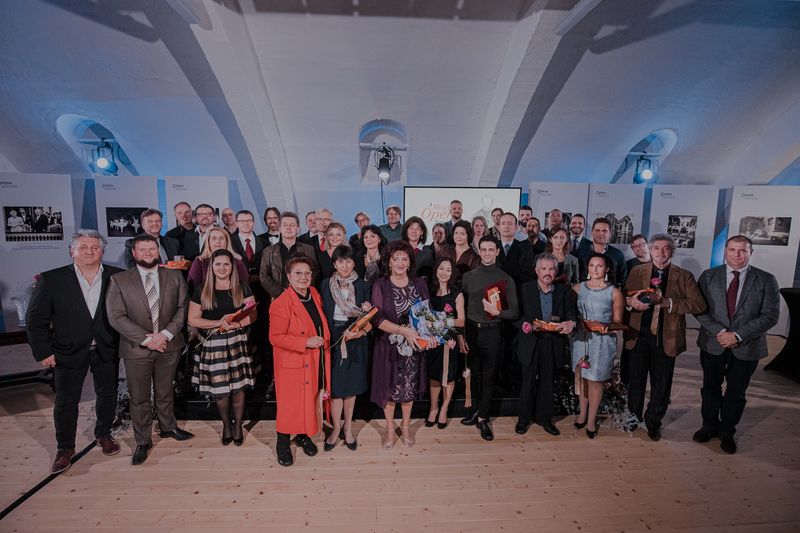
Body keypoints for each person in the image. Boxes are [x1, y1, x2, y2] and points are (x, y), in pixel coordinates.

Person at [26, 230, 122, 474]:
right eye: (83, 247)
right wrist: (43, 351)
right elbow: (36, 320)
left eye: (95, 247)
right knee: (66, 401)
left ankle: (103, 433)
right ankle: (65, 448)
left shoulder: (118, 276)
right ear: (72, 251)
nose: (89, 251)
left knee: (108, 394)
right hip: (66, 350)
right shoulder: (51, 279)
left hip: (106, 347)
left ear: (102, 251)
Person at [106, 234, 194, 465]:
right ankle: (143, 440)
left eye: (152, 249)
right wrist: (148, 340)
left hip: (169, 344)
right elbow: (116, 317)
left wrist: (165, 335)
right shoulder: (119, 280)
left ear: (158, 251)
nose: (148, 253)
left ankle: (168, 427)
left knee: (165, 390)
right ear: (134, 253)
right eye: (142, 249)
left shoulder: (174, 276)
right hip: (136, 348)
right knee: (139, 398)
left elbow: (183, 307)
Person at [693, 235, 780, 454]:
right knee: (710, 387)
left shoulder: (766, 279)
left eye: (742, 250)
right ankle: (709, 426)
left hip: (747, 346)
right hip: (713, 342)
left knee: (736, 392)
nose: (737, 255)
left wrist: (738, 335)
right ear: (725, 251)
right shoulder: (709, 276)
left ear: (751, 252)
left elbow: (770, 316)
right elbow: (699, 309)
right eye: (732, 249)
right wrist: (721, 332)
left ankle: (727, 431)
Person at [623, 234, 706, 440]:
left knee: (661, 384)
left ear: (672, 251)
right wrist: (631, 302)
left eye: (666, 248)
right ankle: (633, 418)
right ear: (650, 250)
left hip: (666, 337)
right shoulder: (637, 271)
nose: (661, 252)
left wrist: (669, 303)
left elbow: (699, 304)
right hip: (638, 334)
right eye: (657, 248)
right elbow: (625, 295)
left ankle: (653, 422)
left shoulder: (684, 276)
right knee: (635, 381)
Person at [187, 249, 256, 446]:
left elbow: (252, 315)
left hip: (236, 341)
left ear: (232, 267)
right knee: (220, 389)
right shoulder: (202, 289)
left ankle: (238, 426)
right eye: (218, 264)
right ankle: (226, 424)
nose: (222, 268)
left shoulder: (242, 287)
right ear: (212, 267)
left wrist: (236, 324)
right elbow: (193, 319)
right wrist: (218, 323)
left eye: (226, 264)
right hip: (213, 343)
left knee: (238, 388)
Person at [269, 255, 331, 466]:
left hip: (313, 360)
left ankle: (303, 435)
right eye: (298, 273)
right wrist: (306, 342)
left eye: (307, 273)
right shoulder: (281, 303)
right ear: (288, 276)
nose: (303, 277)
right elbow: (275, 337)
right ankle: (282, 443)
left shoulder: (313, 294)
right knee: (290, 405)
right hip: (293, 362)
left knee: (308, 401)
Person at [370, 240, 432, 449]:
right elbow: (377, 319)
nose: (400, 262)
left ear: (410, 262)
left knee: (408, 388)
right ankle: (390, 428)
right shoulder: (380, 284)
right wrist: (403, 330)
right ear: (388, 262)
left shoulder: (419, 283)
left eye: (404, 259)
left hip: (413, 347)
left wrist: (430, 335)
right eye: (395, 258)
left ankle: (405, 427)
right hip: (388, 346)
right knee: (389, 388)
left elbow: (426, 314)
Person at [460, 235, 519, 441]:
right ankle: (477, 411)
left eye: (490, 249)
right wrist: (462, 335)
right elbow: (462, 308)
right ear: (479, 251)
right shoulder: (468, 277)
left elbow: (515, 312)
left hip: (493, 332)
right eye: (483, 249)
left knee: (489, 376)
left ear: (497, 251)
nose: (486, 253)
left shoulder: (506, 278)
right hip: (471, 331)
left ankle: (484, 418)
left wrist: (498, 312)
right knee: (475, 375)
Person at [514, 254, 576, 436]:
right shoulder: (525, 289)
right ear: (537, 271)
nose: (547, 273)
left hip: (553, 342)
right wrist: (524, 325)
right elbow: (516, 315)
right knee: (527, 382)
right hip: (531, 340)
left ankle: (545, 419)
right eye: (544, 269)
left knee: (548, 383)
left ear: (556, 272)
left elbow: (571, 314)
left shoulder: (564, 290)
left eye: (551, 269)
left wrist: (571, 323)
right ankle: (523, 420)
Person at [320, 245, 372, 451]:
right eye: (340, 261)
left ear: (354, 263)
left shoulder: (363, 286)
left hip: (355, 338)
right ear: (334, 264)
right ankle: (335, 428)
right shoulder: (325, 284)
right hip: (332, 338)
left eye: (348, 261)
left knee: (351, 388)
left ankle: (348, 428)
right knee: (335, 388)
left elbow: (371, 319)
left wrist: (360, 332)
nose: (344, 265)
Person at [571, 253, 624, 439]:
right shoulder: (578, 288)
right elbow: (570, 314)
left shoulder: (614, 292)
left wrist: (604, 326)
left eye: (599, 266)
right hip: (580, 339)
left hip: (602, 341)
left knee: (595, 380)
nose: (595, 269)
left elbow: (618, 322)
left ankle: (592, 420)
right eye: (592, 265)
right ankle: (582, 414)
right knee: (582, 378)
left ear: (606, 268)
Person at [425, 257, 465, 429]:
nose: (444, 273)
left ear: (452, 273)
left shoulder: (457, 294)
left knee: (448, 376)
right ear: (436, 270)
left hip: (449, 341)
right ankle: (433, 408)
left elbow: (461, 321)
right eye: (441, 268)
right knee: (434, 375)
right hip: (432, 340)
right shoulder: (429, 291)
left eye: (448, 270)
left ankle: (444, 409)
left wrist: (442, 321)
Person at [260, 211, 318, 301]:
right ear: (280, 228)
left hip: (303, 296)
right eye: (285, 225)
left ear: (298, 228)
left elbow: (314, 271)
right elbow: (264, 276)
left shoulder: (308, 249)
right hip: (278, 297)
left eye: (292, 225)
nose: (288, 228)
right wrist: (280, 292)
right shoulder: (268, 251)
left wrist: (302, 289)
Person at [187, 227, 249, 291]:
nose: (218, 241)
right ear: (208, 242)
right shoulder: (199, 262)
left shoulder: (237, 262)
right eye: (214, 238)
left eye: (221, 238)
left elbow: (244, 286)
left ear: (227, 241)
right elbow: (193, 287)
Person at [575, 217, 627, 287]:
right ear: (592, 232)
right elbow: (575, 278)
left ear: (610, 234)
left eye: (604, 231)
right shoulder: (580, 253)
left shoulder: (618, 255)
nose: (601, 233)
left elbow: (622, 281)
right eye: (597, 230)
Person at [496, 212, 534, 286]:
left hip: (517, 289)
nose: (506, 226)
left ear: (516, 227)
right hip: (494, 289)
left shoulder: (526, 248)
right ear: (499, 227)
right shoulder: (492, 247)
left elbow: (528, 274)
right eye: (503, 223)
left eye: (510, 224)